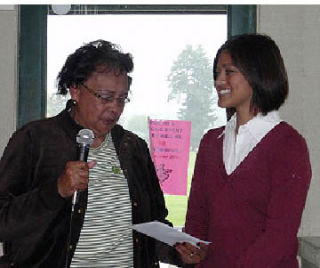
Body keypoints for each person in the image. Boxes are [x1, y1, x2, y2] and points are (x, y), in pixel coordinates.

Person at [0, 40, 180, 267]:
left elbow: (152, 225)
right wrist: (57, 190)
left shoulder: (134, 148)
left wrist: (178, 251)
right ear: (75, 90)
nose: (114, 108)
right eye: (105, 97)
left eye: (122, 99)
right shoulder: (35, 140)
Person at [174, 33, 312, 267]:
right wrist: (194, 248)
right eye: (217, 73)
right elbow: (198, 216)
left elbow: (279, 235)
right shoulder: (211, 142)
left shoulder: (288, 145)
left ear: (258, 73)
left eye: (229, 72)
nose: (219, 80)